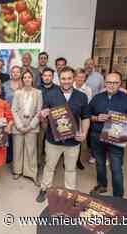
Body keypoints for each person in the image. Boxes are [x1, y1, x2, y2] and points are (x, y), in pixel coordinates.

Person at [36, 66, 90, 203]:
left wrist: (84, 133)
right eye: (63, 78)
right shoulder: (50, 95)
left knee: (70, 169)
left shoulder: (82, 96)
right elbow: (43, 118)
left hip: (73, 142)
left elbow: (85, 117)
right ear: (59, 79)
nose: (66, 81)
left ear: (74, 79)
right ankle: (44, 188)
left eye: (69, 78)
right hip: (53, 141)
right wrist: (42, 116)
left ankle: (70, 193)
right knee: (49, 166)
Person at [89, 72, 127, 198]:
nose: (111, 85)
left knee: (116, 167)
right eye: (109, 82)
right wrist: (97, 117)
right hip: (97, 136)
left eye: (115, 82)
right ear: (105, 83)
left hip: (117, 138)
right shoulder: (97, 98)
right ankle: (102, 185)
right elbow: (87, 115)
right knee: (99, 163)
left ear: (120, 83)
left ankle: (118, 196)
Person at [11, 70, 42, 186]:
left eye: (29, 77)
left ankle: (32, 173)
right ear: (22, 79)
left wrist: (30, 126)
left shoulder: (38, 93)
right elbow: (13, 110)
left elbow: (39, 112)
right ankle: (17, 171)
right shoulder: (17, 93)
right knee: (17, 149)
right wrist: (19, 125)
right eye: (25, 77)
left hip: (32, 126)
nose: (27, 79)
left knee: (31, 150)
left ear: (32, 79)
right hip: (18, 125)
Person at [37, 68, 58, 171]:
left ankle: (50, 165)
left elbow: (61, 105)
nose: (47, 77)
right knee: (39, 144)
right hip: (39, 121)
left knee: (51, 145)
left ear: (52, 77)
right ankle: (38, 163)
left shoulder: (58, 89)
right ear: (42, 77)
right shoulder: (37, 89)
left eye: (49, 75)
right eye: (45, 75)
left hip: (53, 122)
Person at [84, 58, 105, 164]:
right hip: (83, 106)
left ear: (94, 65)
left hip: (94, 107)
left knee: (94, 131)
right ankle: (88, 149)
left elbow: (103, 90)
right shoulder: (81, 74)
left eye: (91, 64)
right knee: (84, 131)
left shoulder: (99, 77)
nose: (88, 66)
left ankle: (94, 154)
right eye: (87, 64)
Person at [2, 65, 23, 164]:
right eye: (13, 72)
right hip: (8, 115)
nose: (15, 73)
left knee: (18, 136)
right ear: (11, 73)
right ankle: (9, 157)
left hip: (21, 116)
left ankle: (18, 159)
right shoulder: (5, 85)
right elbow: (2, 100)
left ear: (20, 73)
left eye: (17, 72)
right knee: (8, 136)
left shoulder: (24, 84)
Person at [73, 68, 93, 170]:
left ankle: (77, 161)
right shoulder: (69, 86)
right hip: (70, 117)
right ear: (74, 77)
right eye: (78, 76)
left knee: (79, 139)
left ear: (85, 78)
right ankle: (66, 160)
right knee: (68, 137)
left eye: (82, 77)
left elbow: (87, 105)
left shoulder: (88, 90)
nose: (80, 79)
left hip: (81, 118)